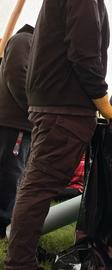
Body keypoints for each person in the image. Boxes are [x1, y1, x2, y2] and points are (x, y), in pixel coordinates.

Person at [5, 1, 112, 269]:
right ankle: (20, 263)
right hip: (65, 108)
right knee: (39, 186)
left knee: (36, 185)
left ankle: (21, 258)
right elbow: (84, 49)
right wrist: (101, 99)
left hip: (56, 105)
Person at [0, 24, 34, 238]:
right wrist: (35, 108)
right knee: (9, 172)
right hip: (15, 122)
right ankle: (2, 224)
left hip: (16, 121)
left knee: (11, 171)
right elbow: (16, 74)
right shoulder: (26, 40)